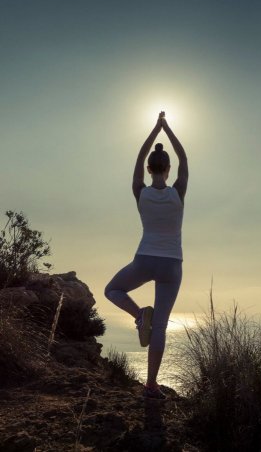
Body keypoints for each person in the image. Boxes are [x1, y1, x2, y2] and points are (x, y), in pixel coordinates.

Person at [105, 111, 188, 399]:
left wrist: (155, 129)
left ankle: (139, 314)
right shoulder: (178, 192)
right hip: (172, 265)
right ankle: (151, 385)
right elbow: (184, 160)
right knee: (161, 327)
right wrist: (168, 129)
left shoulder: (140, 192)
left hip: (144, 259)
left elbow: (139, 158)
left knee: (112, 290)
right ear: (167, 169)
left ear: (150, 169)